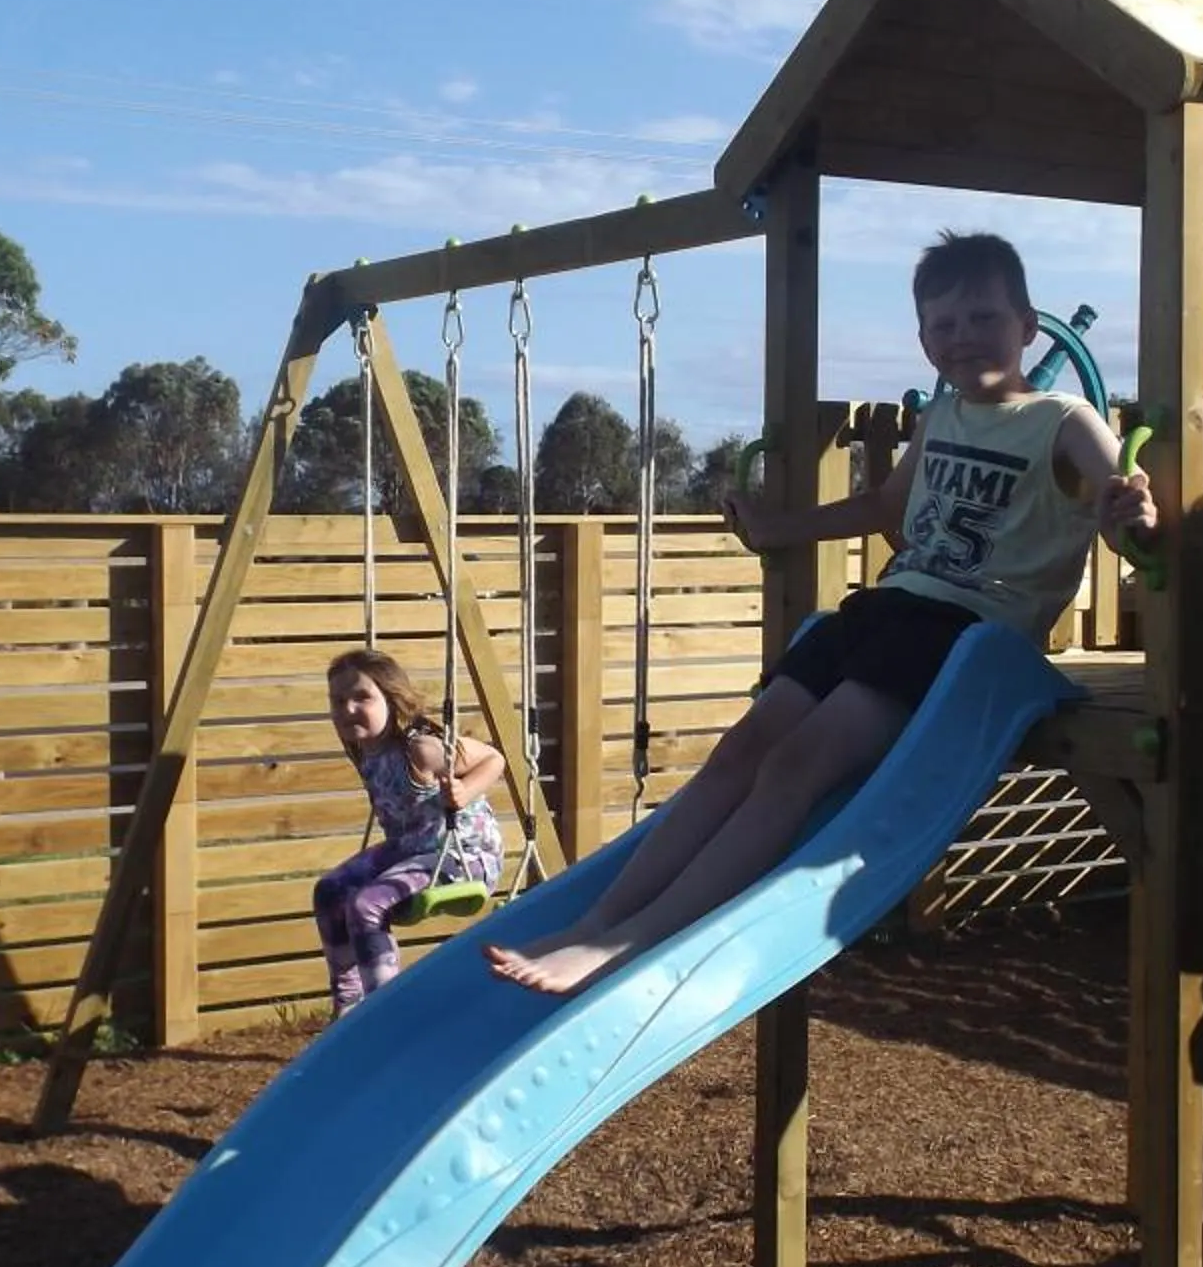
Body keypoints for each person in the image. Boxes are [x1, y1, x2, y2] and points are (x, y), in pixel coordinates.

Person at [488, 229, 1159, 996]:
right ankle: (595, 920)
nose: (964, 337)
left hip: (967, 638)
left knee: (793, 766)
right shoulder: (943, 418)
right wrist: (779, 529)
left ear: (1028, 325)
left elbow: (1120, 499)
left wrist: (1133, 511)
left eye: (983, 318)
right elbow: (884, 508)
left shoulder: (1064, 419)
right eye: (944, 325)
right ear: (925, 341)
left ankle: (633, 939)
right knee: (739, 752)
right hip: (888, 610)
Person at [318, 647, 507, 1013]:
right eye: (338, 700)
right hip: (410, 847)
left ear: (392, 699)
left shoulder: (419, 749)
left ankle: (383, 1009)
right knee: (329, 891)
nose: (348, 708)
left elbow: (493, 758)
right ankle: (347, 1004)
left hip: (460, 854)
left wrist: (465, 791)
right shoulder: (362, 750)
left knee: (365, 904)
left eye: (362, 697)